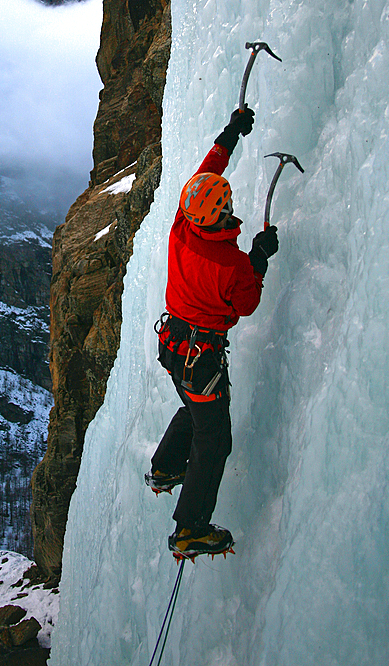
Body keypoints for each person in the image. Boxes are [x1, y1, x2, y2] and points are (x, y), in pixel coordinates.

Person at [146, 105, 279, 558]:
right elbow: (246, 304)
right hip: (199, 357)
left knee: (194, 410)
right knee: (214, 436)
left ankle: (164, 469)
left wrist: (230, 133)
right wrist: (259, 257)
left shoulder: (184, 224)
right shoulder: (231, 264)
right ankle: (190, 529)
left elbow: (207, 170)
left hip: (174, 349)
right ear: (220, 213)